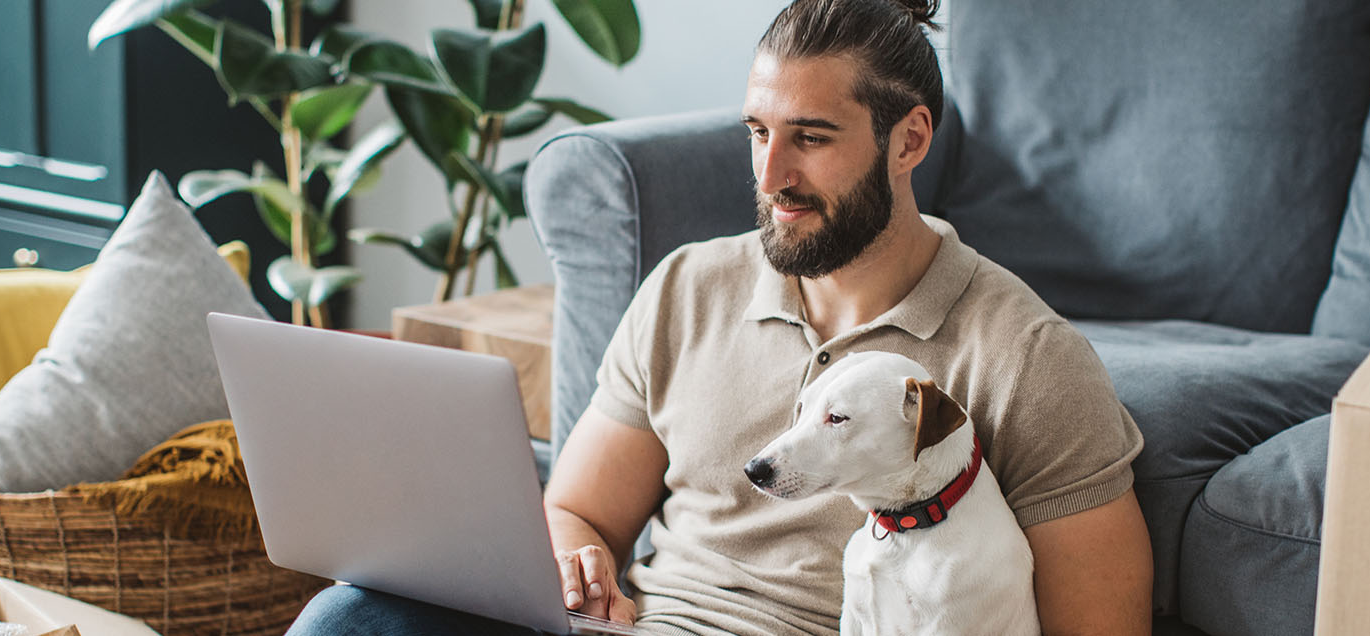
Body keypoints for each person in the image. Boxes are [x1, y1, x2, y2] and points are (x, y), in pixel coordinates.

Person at [289, 0, 1152, 633]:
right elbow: (579, 508)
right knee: (351, 619)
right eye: (756, 131)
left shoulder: (1027, 356)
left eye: (810, 137)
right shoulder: (687, 288)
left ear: (910, 140)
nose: (771, 173)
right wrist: (574, 556)